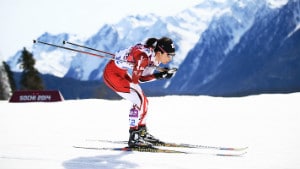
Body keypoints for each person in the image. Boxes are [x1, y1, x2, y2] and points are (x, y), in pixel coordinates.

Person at [103, 37, 176, 148]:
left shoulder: (154, 57)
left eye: (172, 56)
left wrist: (161, 74)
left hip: (120, 72)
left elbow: (143, 76)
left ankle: (141, 133)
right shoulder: (144, 57)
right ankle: (134, 136)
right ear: (160, 52)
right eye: (169, 55)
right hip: (112, 74)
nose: (170, 59)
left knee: (145, 101)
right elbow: (137, 79)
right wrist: (158, 75)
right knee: (139, 101)